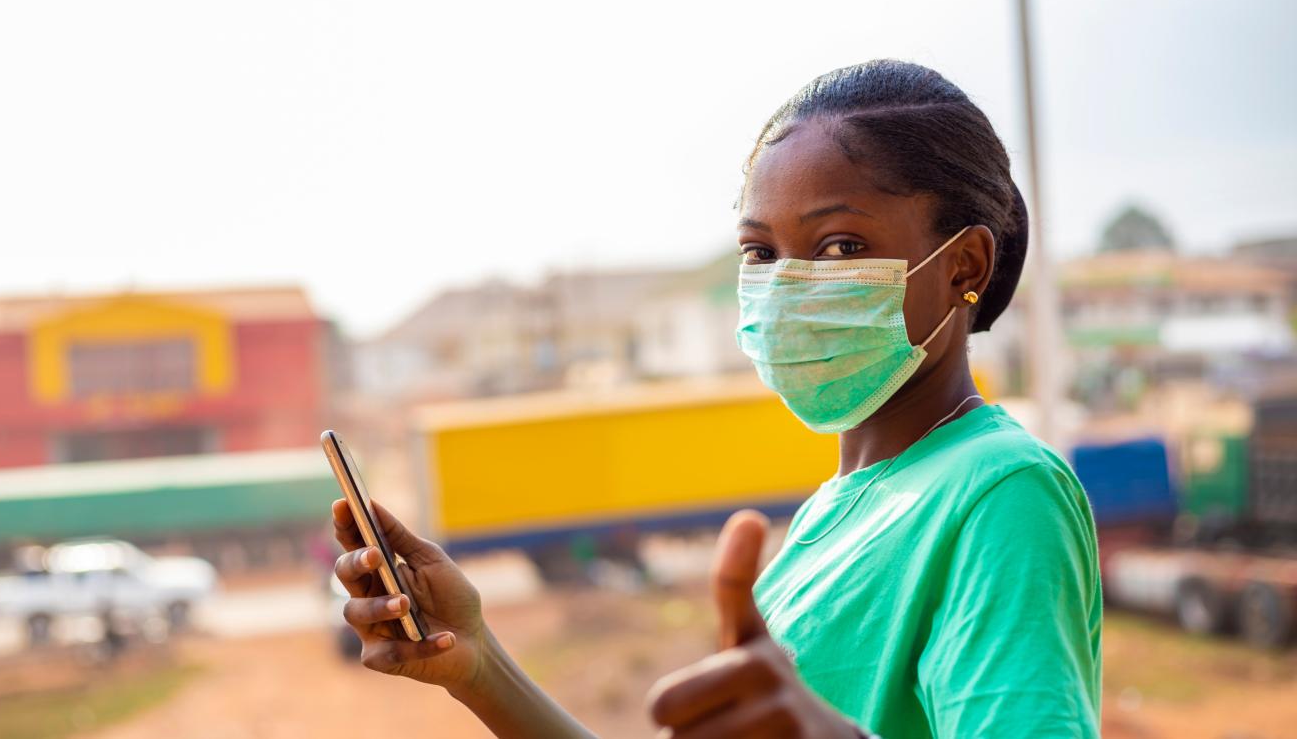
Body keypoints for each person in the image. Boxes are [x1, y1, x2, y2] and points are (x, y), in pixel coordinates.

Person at [330, 59, 1101, 738]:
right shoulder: (838, 510)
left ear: (964, 264)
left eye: (839, 246)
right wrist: (478, 664)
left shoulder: (1002, 491)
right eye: (760, 251)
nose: (787, 284)